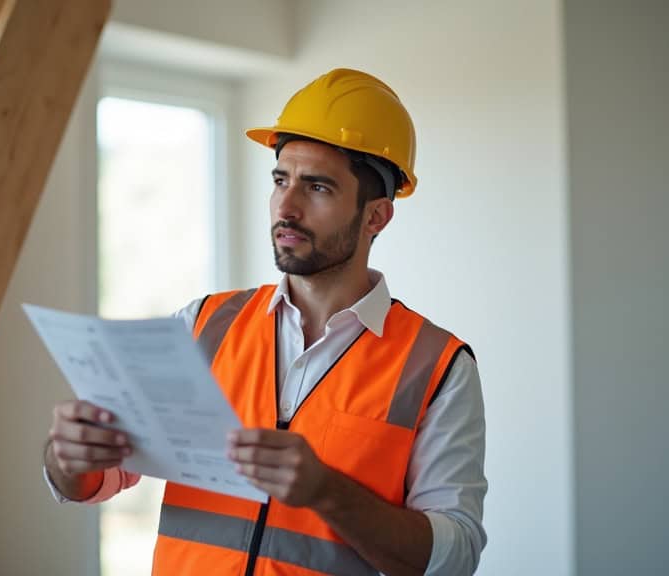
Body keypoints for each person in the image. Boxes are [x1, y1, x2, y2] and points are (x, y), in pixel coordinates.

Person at [44, 68, 487, 576]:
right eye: (281, 180)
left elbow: (454, 558)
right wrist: (70, 455)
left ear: (376, 217)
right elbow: (96, 478)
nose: (287, 206)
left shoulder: (438, 368)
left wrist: (327, 491)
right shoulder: (203, 326)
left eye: (318, 187)